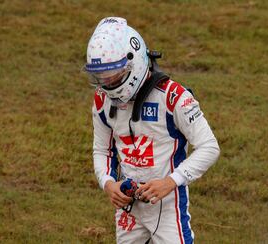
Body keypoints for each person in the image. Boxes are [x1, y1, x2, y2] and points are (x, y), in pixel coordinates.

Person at [83, 17, 220, 244]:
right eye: (101, 77)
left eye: (114, 75)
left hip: (167, 208)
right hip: (128, 207)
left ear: (133, 62)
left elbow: (209, 147)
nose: (107, 83)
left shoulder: (173, 96)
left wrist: (170, 182)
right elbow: (102, 150)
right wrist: (108, 184)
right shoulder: (101, 100)